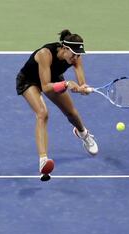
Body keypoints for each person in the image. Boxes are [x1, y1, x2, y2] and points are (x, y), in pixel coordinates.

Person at [16, 29, 98, 181]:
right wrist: (67, 83)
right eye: (74, 54)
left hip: (52, 78)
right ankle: (43, 161)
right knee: (42, 114)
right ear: (65, 49)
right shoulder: (45, 54)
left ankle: (83, 133)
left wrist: (82, 86)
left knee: (71, 113)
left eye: (79, 54)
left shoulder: (75, 56)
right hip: (29, 81)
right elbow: (46, 87)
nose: (76, 58)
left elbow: (78, 70)